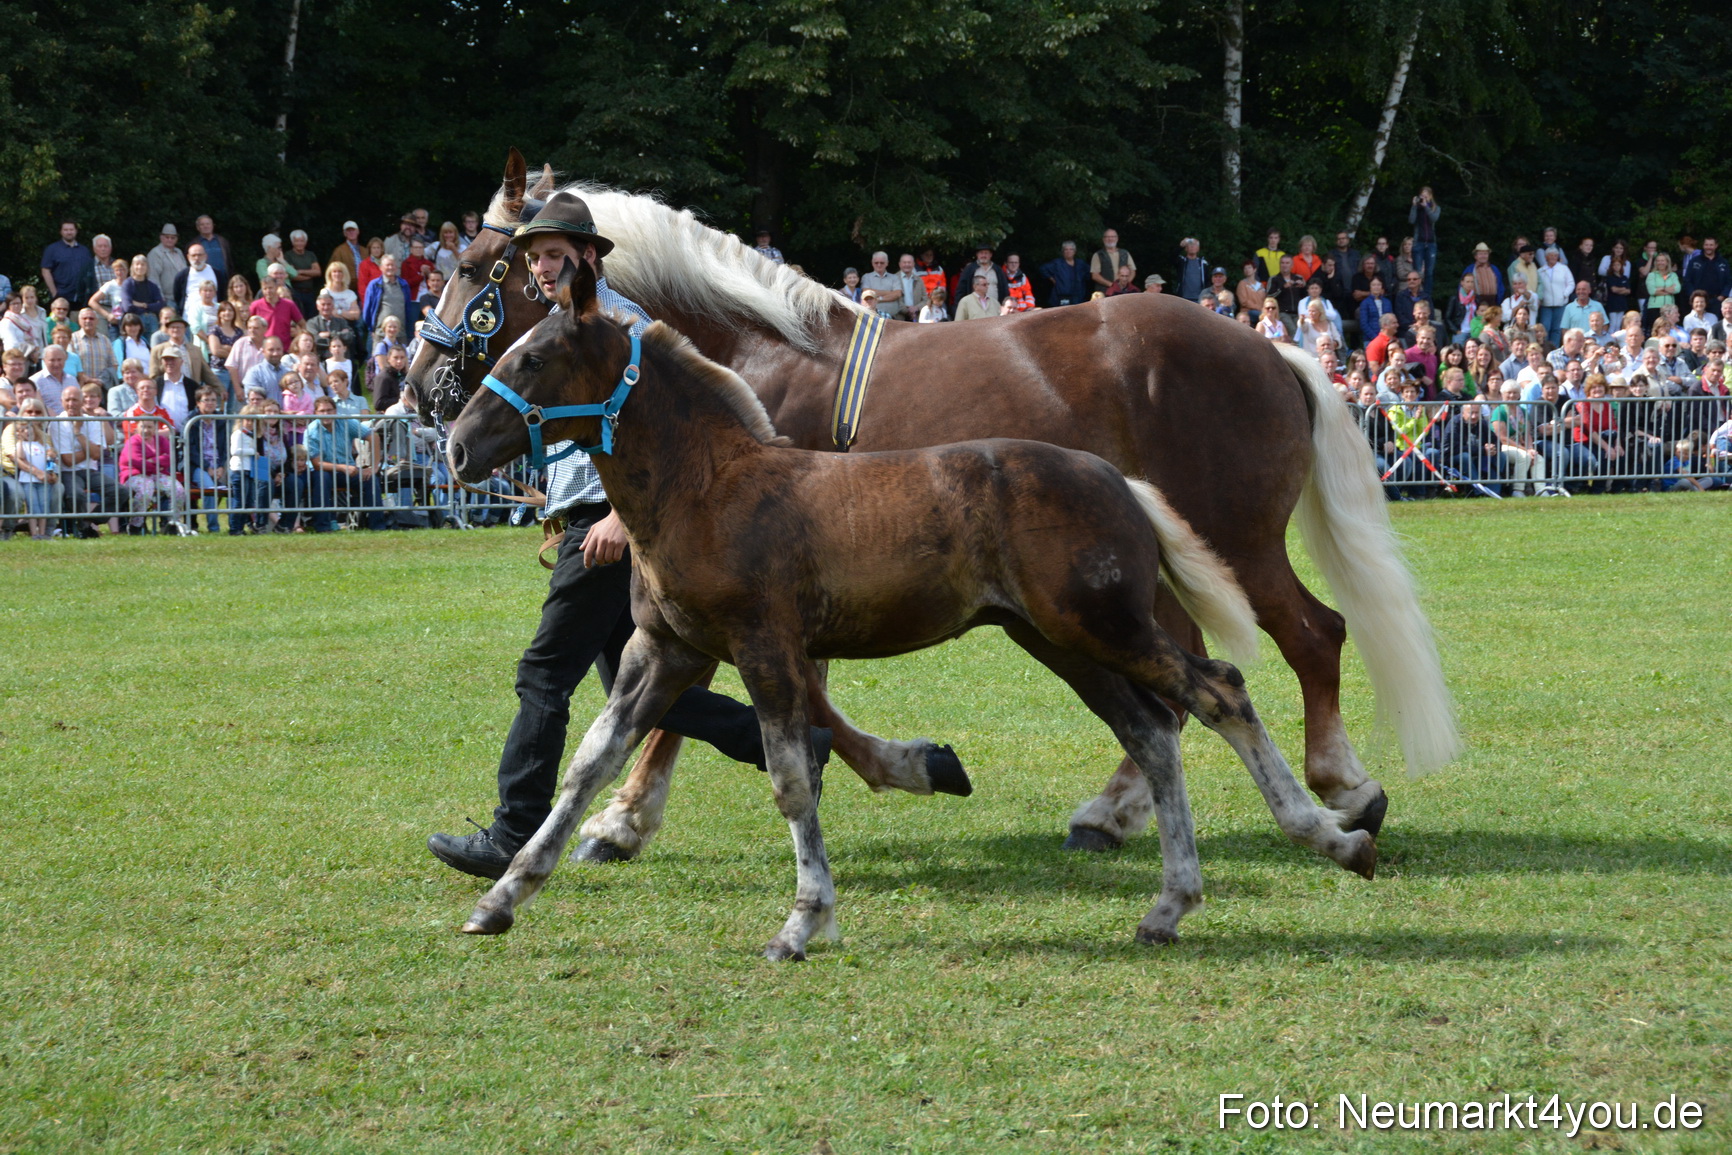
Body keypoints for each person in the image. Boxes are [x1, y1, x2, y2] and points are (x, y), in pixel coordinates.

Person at [425, 191, 830, 879]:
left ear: (587, 256)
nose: (542, 268)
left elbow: (668, 433)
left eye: (554, 254)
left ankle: (512, 831)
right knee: (638, 688)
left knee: (545, 672)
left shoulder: (623, 326)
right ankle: (794, 743)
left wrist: (613, 518)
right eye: (534, 257)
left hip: (612, 528)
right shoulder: (558, 327)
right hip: (592, 520)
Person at [8, 398, 57, 539]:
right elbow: (17, 457)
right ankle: (32, 533)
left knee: (44, 506)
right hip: (26, 479)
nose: (33, 415)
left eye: (38, 412)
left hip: (44, 481)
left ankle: (45, 533)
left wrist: (51, 472)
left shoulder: (44, 439)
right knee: (33, 507)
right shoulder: (15, 434)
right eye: (29, 412)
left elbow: (51, 459)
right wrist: (37, 472)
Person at [1408, 188, 1440, 295]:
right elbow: (1411, 220)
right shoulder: (1417, 208)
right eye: (1422, 196)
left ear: (1430, 196)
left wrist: (1426, 206)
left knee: (1429, 272)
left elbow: (1433, 219)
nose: (1424, 198)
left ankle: (1427, 295)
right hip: (1419, 242)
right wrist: (1414, 206)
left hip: (1431, 243)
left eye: (1426, 196)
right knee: (1417, 271)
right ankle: (1416, 293)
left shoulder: (1435, 208)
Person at [1040, 241, 1090, 307]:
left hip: (1078, 297)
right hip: (1061, 297)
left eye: (1071, 249)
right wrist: (1052, 279)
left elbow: (1089, 274)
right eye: (1066, 249)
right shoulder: (1057, 263)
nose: (1068, 251)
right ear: (1063, 252)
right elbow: (1043, 269)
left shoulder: (1081, 264)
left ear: (1074, 251)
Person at [1174, 237, 1206, 303]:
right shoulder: (1182, 261)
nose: (1192, 247)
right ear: (1186, 248)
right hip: (1183, 298)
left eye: (1194, 245)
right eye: (1190, 245)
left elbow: (1207, 279)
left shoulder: (1203, 263)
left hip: (1200, 298)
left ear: (1198, 248)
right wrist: (1181, 246)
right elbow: (1172, 257)